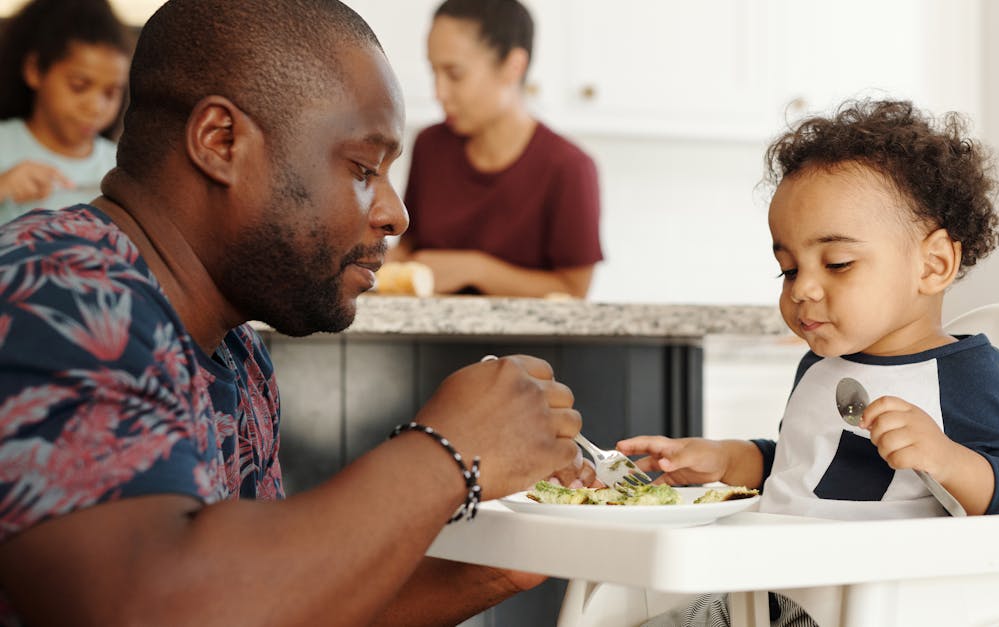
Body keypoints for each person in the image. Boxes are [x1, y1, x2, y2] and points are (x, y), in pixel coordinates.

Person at [0, 0, 591, 625]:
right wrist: (447, 454)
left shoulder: (236, 350)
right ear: (221, 141)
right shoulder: (56, 288)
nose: (396, 214)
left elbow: (269, 605)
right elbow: (156, 606)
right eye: (364, 167)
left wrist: (506, 564)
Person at [620, 100, 999, 627]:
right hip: (771, 589)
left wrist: (946, 458)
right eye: (787, 270)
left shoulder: (968, 376)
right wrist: (725, 460)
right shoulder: (819, 367)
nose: (804, 289)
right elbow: (802, 471)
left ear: (934, 263)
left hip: (883, 606)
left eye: (837, 264)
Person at [388, 0, 603, 298]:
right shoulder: (429, 146)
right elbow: (410, 248)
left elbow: (573, 290)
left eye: (455, 74)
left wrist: (476, 269)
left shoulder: (569, 167)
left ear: (513, 66)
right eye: (433, 72)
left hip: (526, 345)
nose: (439, 93)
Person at [0, 0, 131, 225]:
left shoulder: (122, 166)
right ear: (34, 70)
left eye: (110, 93)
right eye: (79, 85)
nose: (95, 107)